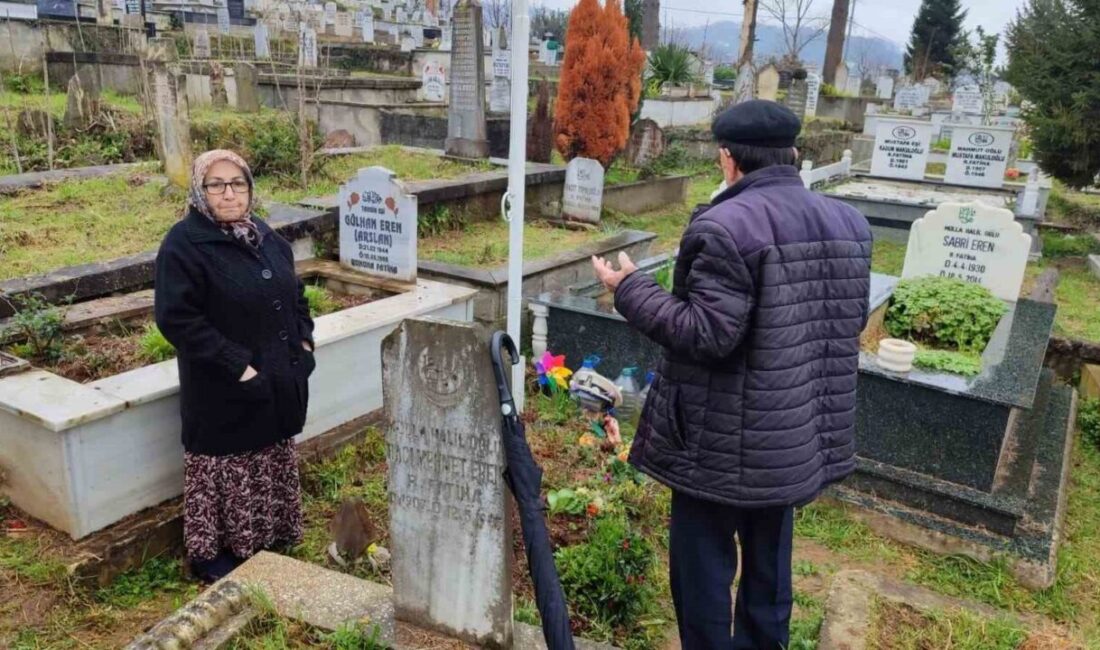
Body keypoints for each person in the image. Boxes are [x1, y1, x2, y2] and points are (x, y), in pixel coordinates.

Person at [592, 100, 872, 649]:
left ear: (727, 158)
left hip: (716, 441)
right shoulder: (849, 223)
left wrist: (629, 288)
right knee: (769, 571)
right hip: (791, 434)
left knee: (703, 574)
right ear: (791, 155)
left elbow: (706, 333)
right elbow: (846, 319)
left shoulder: (726, 225)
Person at [154, 149, 316, 583]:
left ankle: (269, 533)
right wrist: (238, 366)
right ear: (200, 191)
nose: (229, 193)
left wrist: (304, 340)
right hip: (223, 387)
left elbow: (295, 293)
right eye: (216, 184)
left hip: (276, 377)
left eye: (238, 183)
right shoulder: (184, 244)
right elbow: (177, 319)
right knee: (228, 466)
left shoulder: (262, 234)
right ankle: (214, 553)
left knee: (269, 456)